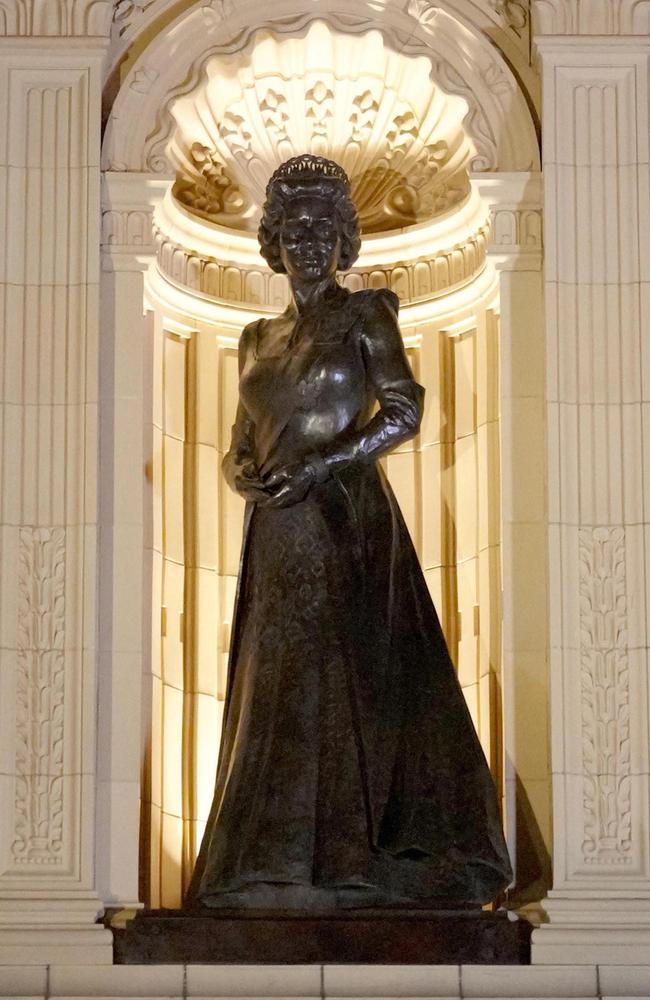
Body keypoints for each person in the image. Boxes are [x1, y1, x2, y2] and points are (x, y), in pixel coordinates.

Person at [187, 154, 512, 909]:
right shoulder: (254, 335)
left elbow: (401, 412)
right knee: (278, 682)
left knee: (343, 676)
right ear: (272, 240)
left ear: (343, 239)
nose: (307, 241)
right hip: (276, 525)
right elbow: (244, 434)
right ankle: (270, 860)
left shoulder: (366, 315)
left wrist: (322, 466)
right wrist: (242, 472)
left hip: (344, 518)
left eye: (322, 227)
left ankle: (346, 862)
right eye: (293, 227)